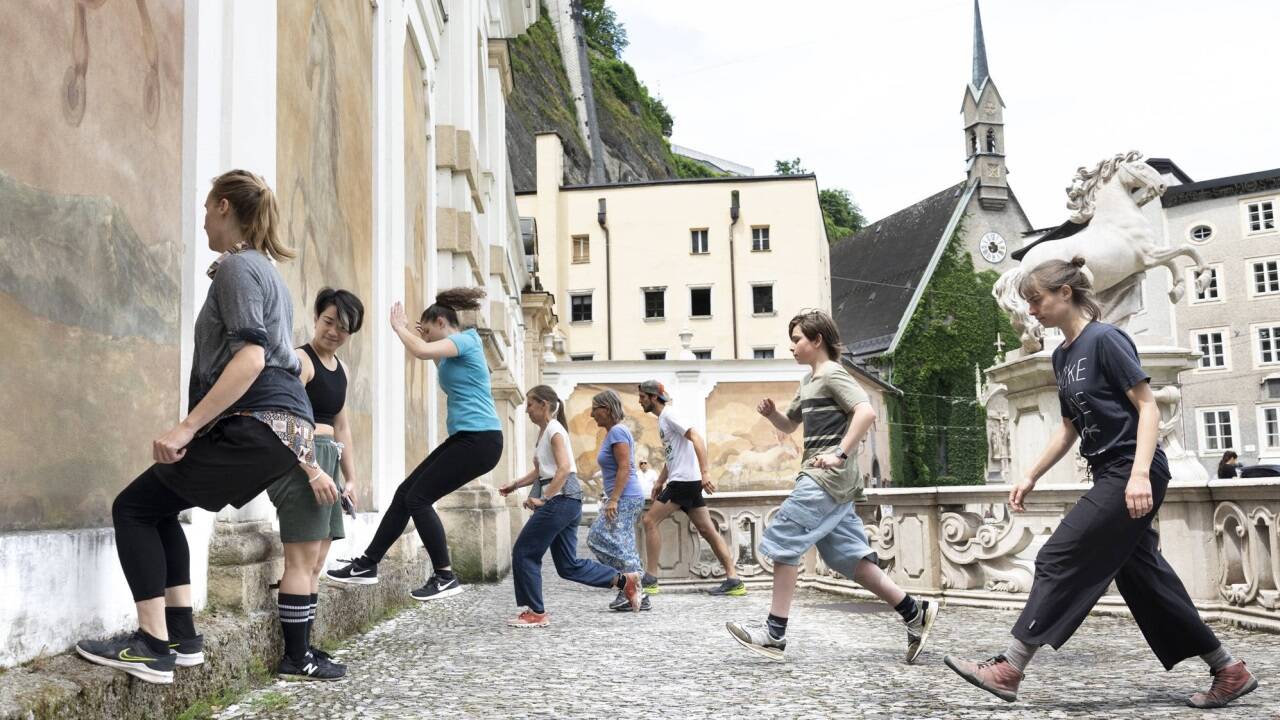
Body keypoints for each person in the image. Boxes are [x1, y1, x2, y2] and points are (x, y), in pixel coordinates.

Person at [943, 257, 1257, 709]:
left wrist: (1136, 477)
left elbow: (1148, 408)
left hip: (1134, 469)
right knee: (1145, 579)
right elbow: (1070, 426)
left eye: (1037, 300)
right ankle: (1229, 669)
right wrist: (1030, 474)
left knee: (1057, 554)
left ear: (1064, 293)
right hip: (1111, 470)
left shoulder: (1106, 339)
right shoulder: (1063, 355)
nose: (1032, 310)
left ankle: (1010, 667)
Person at [75, 170, 341, 683]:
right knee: (161, 508)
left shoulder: (240, 269)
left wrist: (185, 428)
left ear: (223, 207)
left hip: (258, 422)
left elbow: (252, 359)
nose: (201, 221)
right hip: (281, 430)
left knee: (131, 507)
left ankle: (151, 644)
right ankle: (183, 637)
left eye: (205, 209)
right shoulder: (261, 272)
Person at [726, 309, 938, 664]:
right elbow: (790, 424)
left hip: (825, 476)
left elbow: (865, 412)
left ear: (817, 340)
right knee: (848, 558)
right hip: (827, 478)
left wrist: (839, 453)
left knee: (783, 540)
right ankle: (913, 611)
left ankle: (774, 635)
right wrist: (770, 414)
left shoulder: (833, 374)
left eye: (796, 339)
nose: (791, 347)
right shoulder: (809, 381)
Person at [326, 288, 503, 602]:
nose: (429, 336)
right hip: (468, 438)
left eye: (430, 328)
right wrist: (420, 335)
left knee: (419, 498)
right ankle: (367, 565)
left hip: (481, 440)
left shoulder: (467, 339)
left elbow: (421, 351)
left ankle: (445, 575)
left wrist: (401, 329)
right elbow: (430, 355)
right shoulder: (451, 354)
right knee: (405, 493)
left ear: (439, 321)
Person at [266, 288, 364, 676]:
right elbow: (279, 416)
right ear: (316, 318)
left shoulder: (339, 369)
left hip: (328, 462)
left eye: (343, 328)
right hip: (301, 465)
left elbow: (342, 426)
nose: (334, 332)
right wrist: (312, 470)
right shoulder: (301, 361)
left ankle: (304, 647)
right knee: (300, 560)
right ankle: (294, 658)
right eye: (328, 322)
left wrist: (351, 478)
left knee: (317, 562)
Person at [500, 386, 644, 627]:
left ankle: (536, 612)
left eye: (531, 405)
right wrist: (515, 485)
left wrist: (544, 498)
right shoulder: (547, 431)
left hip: (561, 499)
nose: (527, 410)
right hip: (568, 501)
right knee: (568, 566)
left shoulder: (555, 430)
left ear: (544, 405)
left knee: (525, 552)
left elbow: (565, 468)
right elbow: (541, 470)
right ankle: (624, 581)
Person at [637, 380, 745, 597]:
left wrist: (705, 473)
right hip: (686, 481)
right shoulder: (663, 419)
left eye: (642, 397)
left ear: (652, 397)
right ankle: (734, 579)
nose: (639, 401)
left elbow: (696, 437)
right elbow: (673, 455)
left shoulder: (670, 415)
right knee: (707, 530)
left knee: (649, 521)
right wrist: (659, 481)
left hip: (683, 482)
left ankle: (650, 579)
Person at [585, 389, 647, 611]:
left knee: (597, 537)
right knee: (624, 543)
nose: (592, 414)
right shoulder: (615, 432)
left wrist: (614, 500)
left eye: (595, 409)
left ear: (607, 409)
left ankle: (633, 586)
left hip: (625, 497)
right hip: (625, 496)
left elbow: (624, 468)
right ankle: (634, 591)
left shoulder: (618, 432)